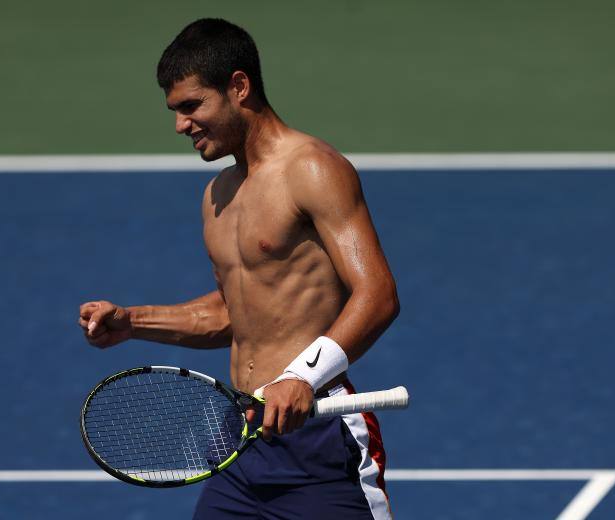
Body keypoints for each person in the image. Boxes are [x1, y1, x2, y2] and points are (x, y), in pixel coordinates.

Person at [78, 18, 399, 520]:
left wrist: (300, 378)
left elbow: (377, 294)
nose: (181, 125)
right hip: (243, 438)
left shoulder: (311, 169)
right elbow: (235, 315)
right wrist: (133, 323)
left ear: (239, 87)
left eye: (191, 106)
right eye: (175, 111)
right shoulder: (218, 196)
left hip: (316, 436)